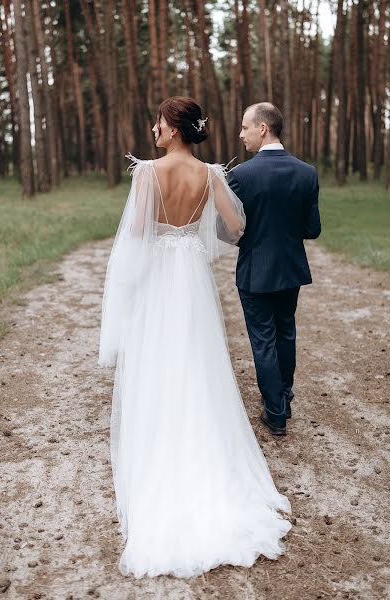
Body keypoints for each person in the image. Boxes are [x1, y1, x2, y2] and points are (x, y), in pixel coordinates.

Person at [98, 96, 291, 579]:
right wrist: (194, 234)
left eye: (160, 123)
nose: (154, 130)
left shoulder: (147, 173)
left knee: (158, 355)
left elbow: (138, 233)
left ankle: (160, 430)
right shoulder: (211, 174)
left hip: (160, 274)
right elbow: (236, 224)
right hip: (191, 276)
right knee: (198, 359)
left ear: (175, 129)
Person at [229, 102, 321, 437]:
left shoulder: (240, 175)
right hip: (291, 269)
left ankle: (276, 413)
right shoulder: (307, 172)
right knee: (285, 332)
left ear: (263, 128)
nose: (241, 134)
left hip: (255, 272)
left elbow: (231, 230)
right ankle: (284, 395)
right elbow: (313, 229)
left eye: (244, 127)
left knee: (263, 341)